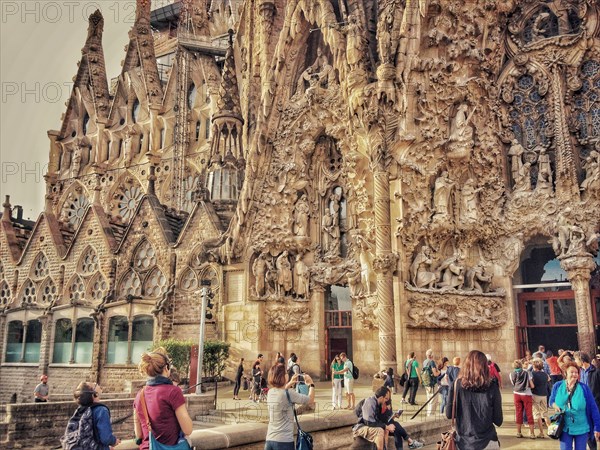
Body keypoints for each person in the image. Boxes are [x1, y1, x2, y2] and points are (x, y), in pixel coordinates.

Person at [133, 348, 193, 450]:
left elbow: (138, 434)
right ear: (166, 368)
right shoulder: (173, 392)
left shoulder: (140, 395)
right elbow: (187, 429)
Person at [446, 350, 503, 450]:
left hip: (463, 443)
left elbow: (449, 414)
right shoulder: (492, 386)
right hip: (488, 441)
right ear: (485, 366)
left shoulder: (456, 385)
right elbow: (498, 420)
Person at [550, 361, 600, 450]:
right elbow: (551, 400)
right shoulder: (557, 386)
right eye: (571, 372)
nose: (574, 374)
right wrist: (554, 405)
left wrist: (597, 427)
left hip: (582, 427)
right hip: (564, 427)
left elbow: (593, 408)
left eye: (576, 372)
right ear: (565, 373)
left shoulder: (584, 388)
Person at [264, 363, 315, 450]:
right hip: (284, 442)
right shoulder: (290, 393)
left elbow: (282, 392)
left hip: (269, 441)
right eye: (286, 373)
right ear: (284, 377)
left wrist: (290, 382)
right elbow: (310, 399)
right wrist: (311, 384)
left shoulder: (270, 392)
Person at [62, 382, 120, 449]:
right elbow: (106, 438)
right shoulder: (101, 410)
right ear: (93, 394)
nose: (95, 383)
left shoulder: (81, 409)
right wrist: (114, 441)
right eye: (93, 384)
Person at [510, 359, 535, 439]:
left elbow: (514, 383)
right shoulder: (527, 372)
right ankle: (532, 433)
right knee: (529, 413)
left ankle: (518, 432)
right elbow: (532, 385)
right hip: (526, 394)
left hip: (516, 394)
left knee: (518, 413)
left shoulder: (511, 373)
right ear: (521, 365)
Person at [531, 358, 551, 438]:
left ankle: (541, 432)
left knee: (537, 414)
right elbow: (548, 379)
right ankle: (550, 430)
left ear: (534, 366)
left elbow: (531, 382)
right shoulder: (545, 374)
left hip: (535, 394)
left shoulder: (533, 374)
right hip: (544, 394)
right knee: (545, 413)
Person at [422, 349, 440, 416]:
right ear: (431, 355)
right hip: (432, 384)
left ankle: (429, 413)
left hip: (426, 383)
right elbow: (435, 373)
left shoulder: (424, 362)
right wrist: (439, 372)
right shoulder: (432, 362)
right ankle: (430, 415)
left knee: (429, 399)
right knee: (433, 400)